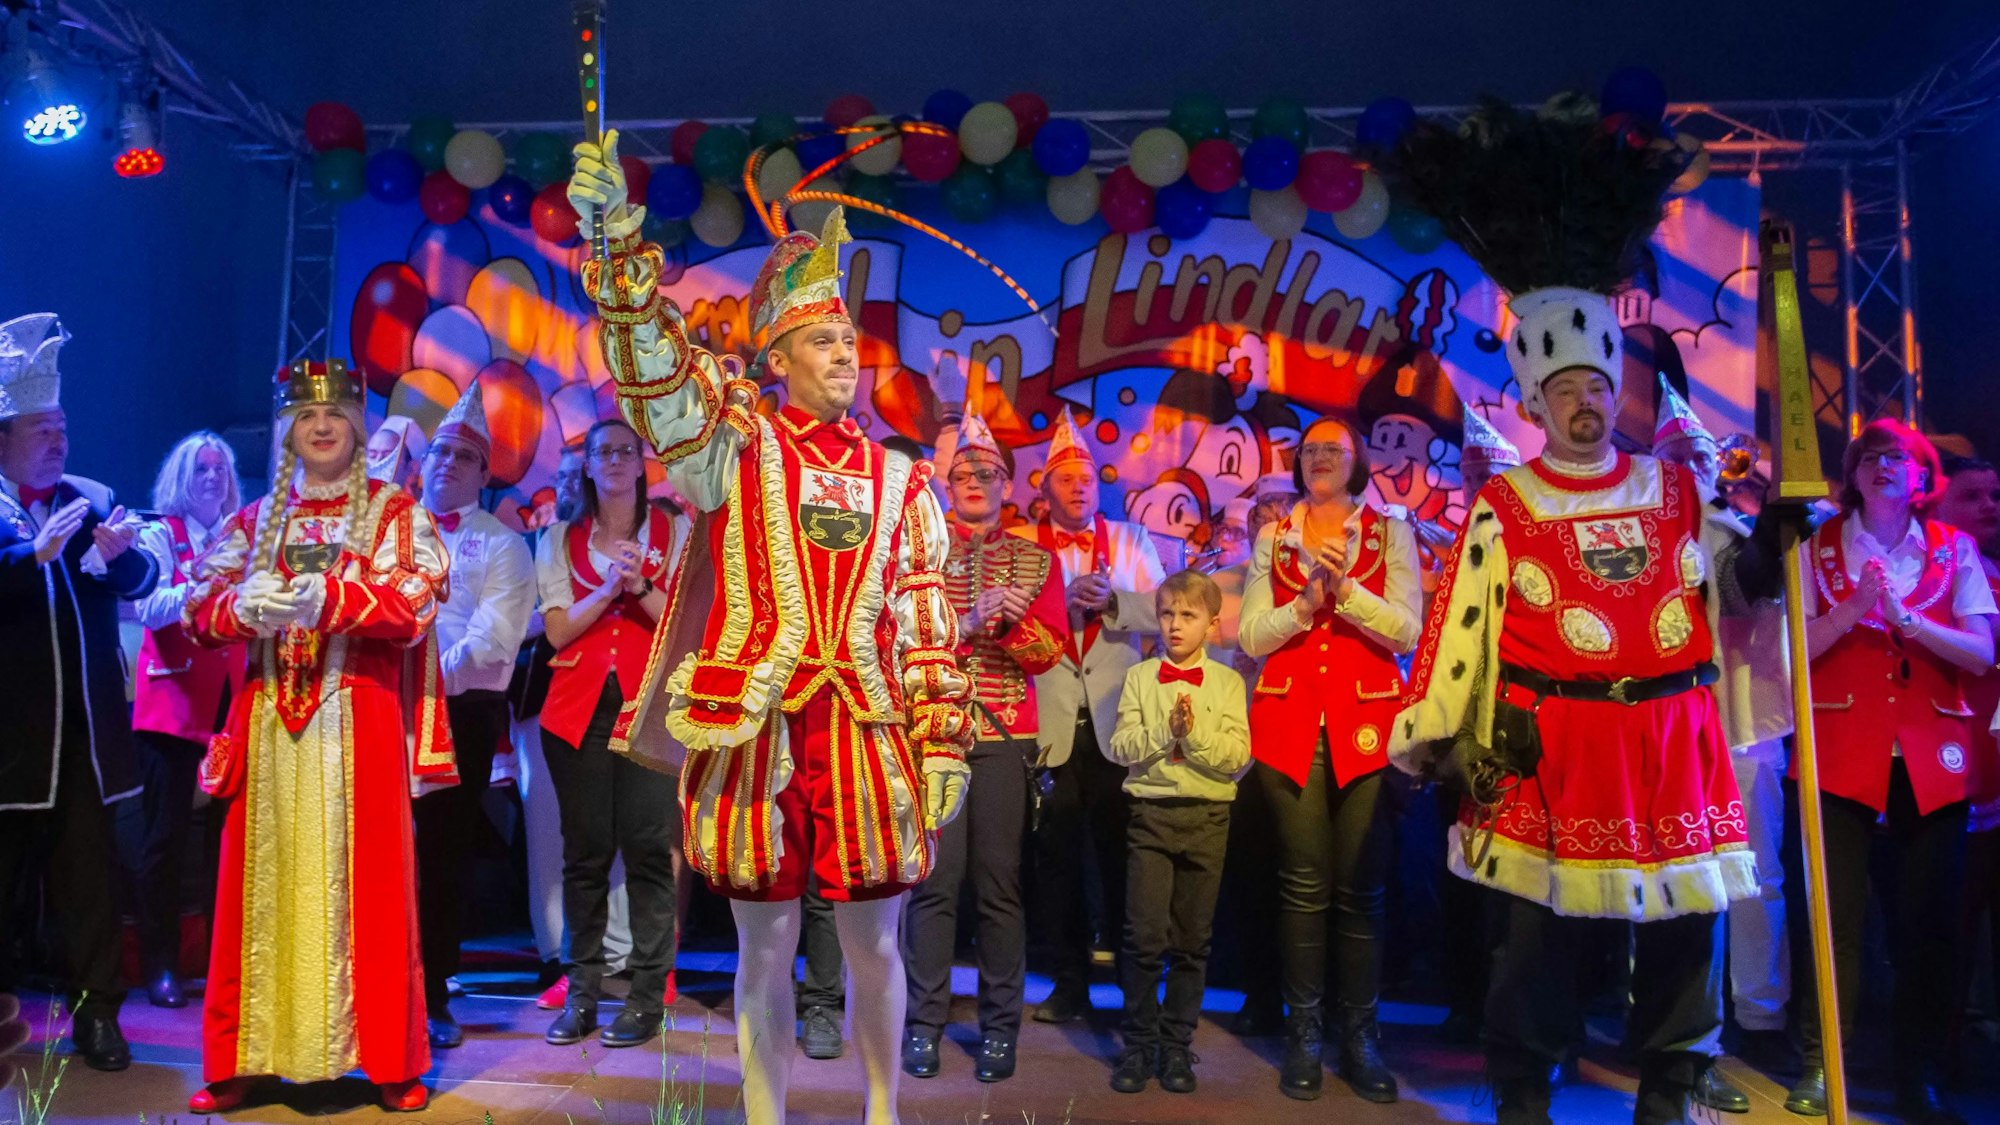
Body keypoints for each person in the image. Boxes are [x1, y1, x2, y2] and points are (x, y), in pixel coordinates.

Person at [570, 137, 973, 1125]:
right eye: (822, 343)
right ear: (779, 358)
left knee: (877, 945)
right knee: (764, 947)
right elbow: (658, 382)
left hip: (868, 733)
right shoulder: (733, 456)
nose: (844, 358)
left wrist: (943, 734)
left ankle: (881, 1112)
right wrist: (614, 243)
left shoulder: (902, 480)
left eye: (849, 342)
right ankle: (764, 1117)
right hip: (752, 731)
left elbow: (925, 611)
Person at [183, 358, 453, 1113]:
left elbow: (418, 598)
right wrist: (243, 607)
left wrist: (334, 595)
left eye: (334, 413)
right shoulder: (256, 519)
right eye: (306, 416)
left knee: (369, 889)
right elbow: (197, 606)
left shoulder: (394, 511)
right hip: (268, 726)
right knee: (254, 892)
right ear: (288, 431)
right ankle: (243, 1055)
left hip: (356, 721)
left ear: (358, 424)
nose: (322, 425)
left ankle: (391, 1059)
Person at [1787, 420, 1994, 1123]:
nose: (1881, 466)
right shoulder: (1814, 548)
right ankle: (1822, 1062)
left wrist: (1908, 619)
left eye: (1896, 457)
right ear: (1853, 473)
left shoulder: (1954, 549)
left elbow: (1980, 653)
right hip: (1839, 751)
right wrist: (1851, 611)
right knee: (1832, 919)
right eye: (1868, 457)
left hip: (1932, 760)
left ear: (1921, 475)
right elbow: (1792, 652)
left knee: (1926, 925)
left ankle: (1918, 1075)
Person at [1236, 415, 1422, 1102]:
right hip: (1288, 722)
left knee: (1361, 889)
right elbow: (1253, 634)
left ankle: (1361, 1035)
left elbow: (1408, 626)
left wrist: (1348, 594)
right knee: (1303, 883)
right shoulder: (1272, 536)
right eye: (1310, 449)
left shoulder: (1389, 532)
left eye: (1333, 449)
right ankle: (1304, 1035)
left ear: (1356, 460)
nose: (1320, 458)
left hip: (1368, 719)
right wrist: (1307, 603)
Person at [0, 312, 157, 1073]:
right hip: (11, 743)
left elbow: (146, 580)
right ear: (3, 436)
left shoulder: (88, 496)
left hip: (85, 745)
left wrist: (119, 559)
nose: (57, 442)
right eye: (40, 429)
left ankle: (99, 1018)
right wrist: (32, 554)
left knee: (91, 885)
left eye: (61, 427)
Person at [902, 399, 1069, 1082]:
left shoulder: (1036, 560)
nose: (975, 478)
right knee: (934, 885)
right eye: (964, 469)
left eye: (988, 470)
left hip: (1004, 736)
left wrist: (1006, 627)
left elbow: (1049, 651)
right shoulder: (917, 556)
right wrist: (965, 622)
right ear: (946, 481)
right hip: (934, 730)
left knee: (999, 887)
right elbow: (898, 639)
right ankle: (923, 1025)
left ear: (1007, 484)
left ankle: (1001, 1029)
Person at [1653, 379, 1787, 1113]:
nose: (1692, 465)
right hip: (1661, 726)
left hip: (1733, 724)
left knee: (1753, 876)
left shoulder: (1728, 532)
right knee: (1673, 883)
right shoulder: (1640, 528)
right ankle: (1672, 1032)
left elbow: (1745, 588)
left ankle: (1758, 1015)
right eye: (1674, 454)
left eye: (1699, 453)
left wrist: (1766, 517)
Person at [536, 417, 684, 1049]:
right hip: (578, 710)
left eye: (629, 451)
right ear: (589, 466)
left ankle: (648, 998)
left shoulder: (674, 531)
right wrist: (607, 587)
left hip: (651, 706)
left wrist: (640, 585)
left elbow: (681, 622)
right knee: (586, 854)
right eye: (606, 452)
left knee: (652, 850)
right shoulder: (556, 539)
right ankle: (584, 993)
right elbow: (559, 632)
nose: (618, 461)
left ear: (643, 462)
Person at [1016, 407, 1166, 1024]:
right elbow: (1010, 627)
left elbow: (1167, 613)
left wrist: (1115, 603)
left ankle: (1136, 990)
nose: (1080, 487)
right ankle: (1069, 983)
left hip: (1115, 722)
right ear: (1045, 491)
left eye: (1087, 478)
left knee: (1122, 857)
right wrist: (1061, 610)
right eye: (1066, 478)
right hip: (1050, 724)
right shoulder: (1023, 550)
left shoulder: (1131, 540)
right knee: (1055, 860)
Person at [412, 385, 537, 1049]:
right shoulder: (394, 527)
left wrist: (422, 676)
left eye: (464, 456)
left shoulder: (503, 546)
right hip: (386, 712)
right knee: (377, 852)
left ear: (485, 474)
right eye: (440, 451)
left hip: (458, 715)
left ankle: (433, 997)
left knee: (440, 858)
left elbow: (494, 641)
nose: (448, 464)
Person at [1103, 569, 1249, 1094]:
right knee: (1143, 938)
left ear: (1211, 624)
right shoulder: (1142, 679)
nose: (1175, 625)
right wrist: (1167, 731)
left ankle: (1177, 1046)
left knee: (1192, 941)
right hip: (1152, 815)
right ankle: (1139, 1045)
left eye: (1188, 615)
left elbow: (1236, 758)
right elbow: (1118, 749)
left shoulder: (1229, 682)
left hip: (1208, 818)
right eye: (1167, 613)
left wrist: (1196, 735)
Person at [124, 431, 247, 1010]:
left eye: (220, 470)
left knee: (229, 838)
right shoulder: (158, 535)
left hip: (229, 702)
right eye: (201, 469)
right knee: (164, 841)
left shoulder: (242, 537)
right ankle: (160, 965)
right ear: (180, 477)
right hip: (171, 705)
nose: (212, 478)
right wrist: (201, 585)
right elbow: (145, 607)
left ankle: (224, 962)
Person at [1938, 455, 2000, 1068]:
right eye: (1973, 496)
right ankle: (1941, 1051)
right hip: (1955, 778)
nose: (1990, 507)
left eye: (1995, 496)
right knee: (1946, 930)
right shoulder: (1938, 578)